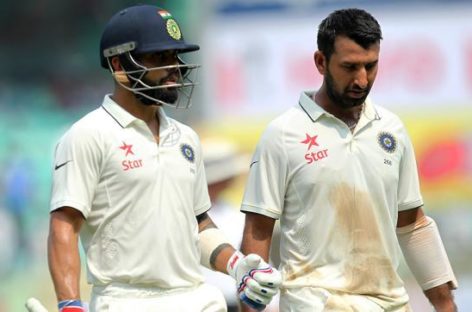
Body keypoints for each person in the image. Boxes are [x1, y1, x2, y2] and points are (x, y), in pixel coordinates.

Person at [47, 4, 281, 312]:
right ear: (119, 65)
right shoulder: (88, 135)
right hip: (127, 300)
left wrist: (237, 265)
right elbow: (64, 225)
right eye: (160, 57)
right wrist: (70, 304)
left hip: (196, 297)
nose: (174, 68)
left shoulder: (185, 138)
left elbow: (198, 224)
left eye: (175, 57)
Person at [239, 8, 458, 312]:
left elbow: (412, 224)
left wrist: (445, 304)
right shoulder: (282, 134)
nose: (362, 79)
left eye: (371, 66)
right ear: (321, 62)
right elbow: (258, 231)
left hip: (389, 303)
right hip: (314, 303)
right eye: (350, 67)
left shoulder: (391, 129)